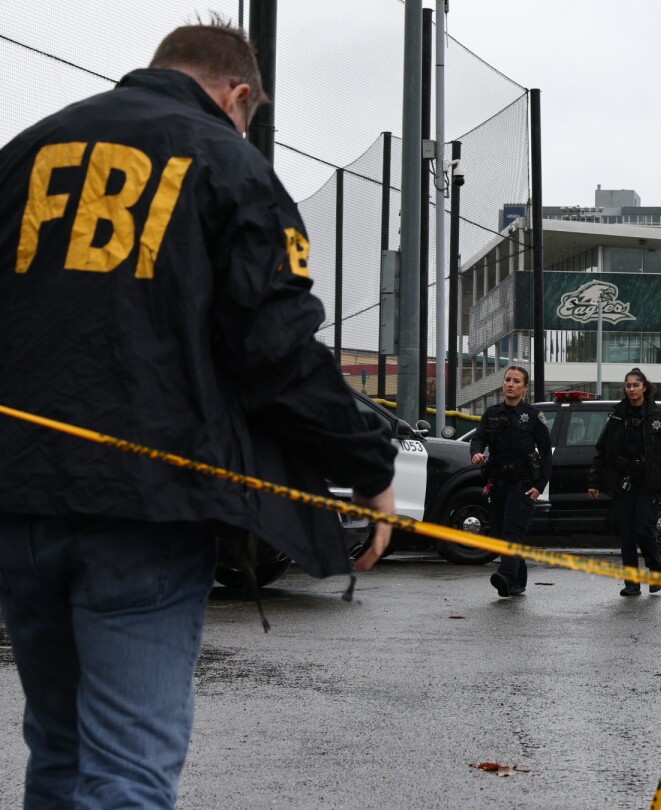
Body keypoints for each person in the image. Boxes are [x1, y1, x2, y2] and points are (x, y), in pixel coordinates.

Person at [0, 20, 397, 808]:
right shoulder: (225, 161)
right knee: (127, 769)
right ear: (237, 95)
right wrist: (367, 464)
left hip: (18, 497)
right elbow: (275, 347)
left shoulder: (24, 155)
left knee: (59, 746)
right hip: (146, 502)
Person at [587, 368, 661, 596]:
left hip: (648, 481)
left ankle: (655, 570)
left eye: (636, 385)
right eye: (628, 385)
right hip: (623, 481)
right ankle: (631, 582)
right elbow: (602, 451)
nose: (632, 389)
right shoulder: (617, 416)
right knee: (627, 533)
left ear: (645, 387)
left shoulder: (657, 416)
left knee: (644, 528)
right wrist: (594, 481)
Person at [471, 366, 552, 597]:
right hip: (498, 482)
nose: (510, 384)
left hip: (523, 483)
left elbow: (546, 453)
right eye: (507, 380)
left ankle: (505, 577)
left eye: (516, 381)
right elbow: (479, 438)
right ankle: (518, 579)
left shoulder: (534, 416)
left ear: (524, 388)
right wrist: (476, 453)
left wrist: (540, 485)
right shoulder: (492, 413)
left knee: (512, 530)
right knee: (500, 531)